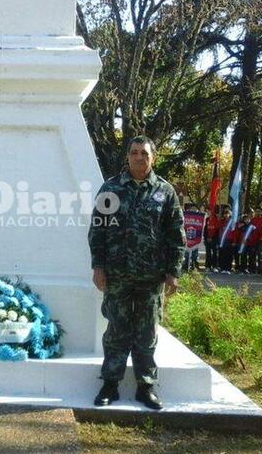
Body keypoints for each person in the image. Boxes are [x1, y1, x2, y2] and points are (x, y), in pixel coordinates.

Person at [88, 135, 184, 410]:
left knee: (146, 332)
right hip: (117, 274)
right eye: (134, 152)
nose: (139, 157)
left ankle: (146, 387)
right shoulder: (111, 188)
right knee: (116, 330)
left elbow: (175, 234)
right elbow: (98, 230)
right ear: (127, 156)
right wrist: (98, 266)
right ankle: (110, 384)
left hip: (150, 276)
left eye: (144, 153)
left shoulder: (165, 192)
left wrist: (173, 272)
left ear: (153, 157)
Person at [203, 206, 221, 272]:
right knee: (208, 253)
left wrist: (212, 238)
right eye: (207, 211)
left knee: (215, 253)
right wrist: (206, 237)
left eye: (209, 211)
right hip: (207, 239)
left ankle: (215, 267)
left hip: (214, 239)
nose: (207, 212)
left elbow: (217, 230)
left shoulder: (217, 219)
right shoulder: (207, 219)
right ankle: (208, 266)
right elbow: (205, 229)